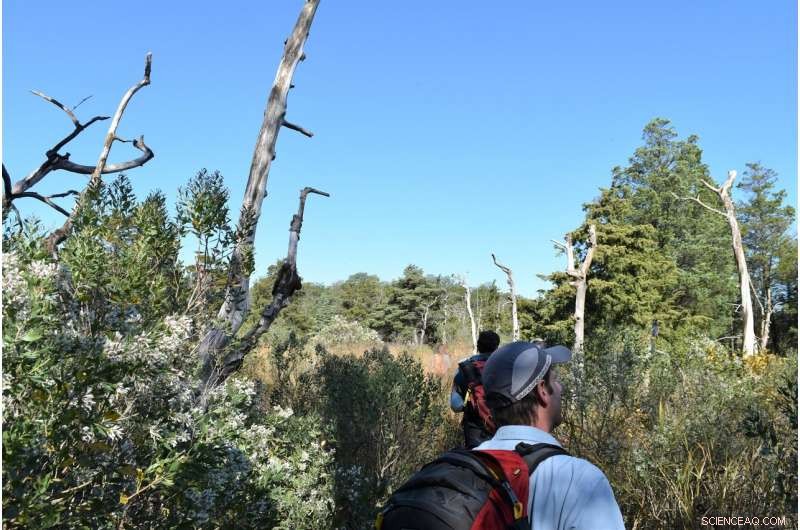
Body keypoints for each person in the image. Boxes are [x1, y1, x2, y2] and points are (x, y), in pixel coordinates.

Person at [477, 340, 626, 530]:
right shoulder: (581, 481)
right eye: (555, 380)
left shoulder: (469, 465)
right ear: (542, 391)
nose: (560, 388)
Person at [450, 330, 501, 448]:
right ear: (497, 347)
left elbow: (455, 406)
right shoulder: (504, 367)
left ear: (478, 346)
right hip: (502, 427)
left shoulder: (465, 369)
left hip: (475, 430)